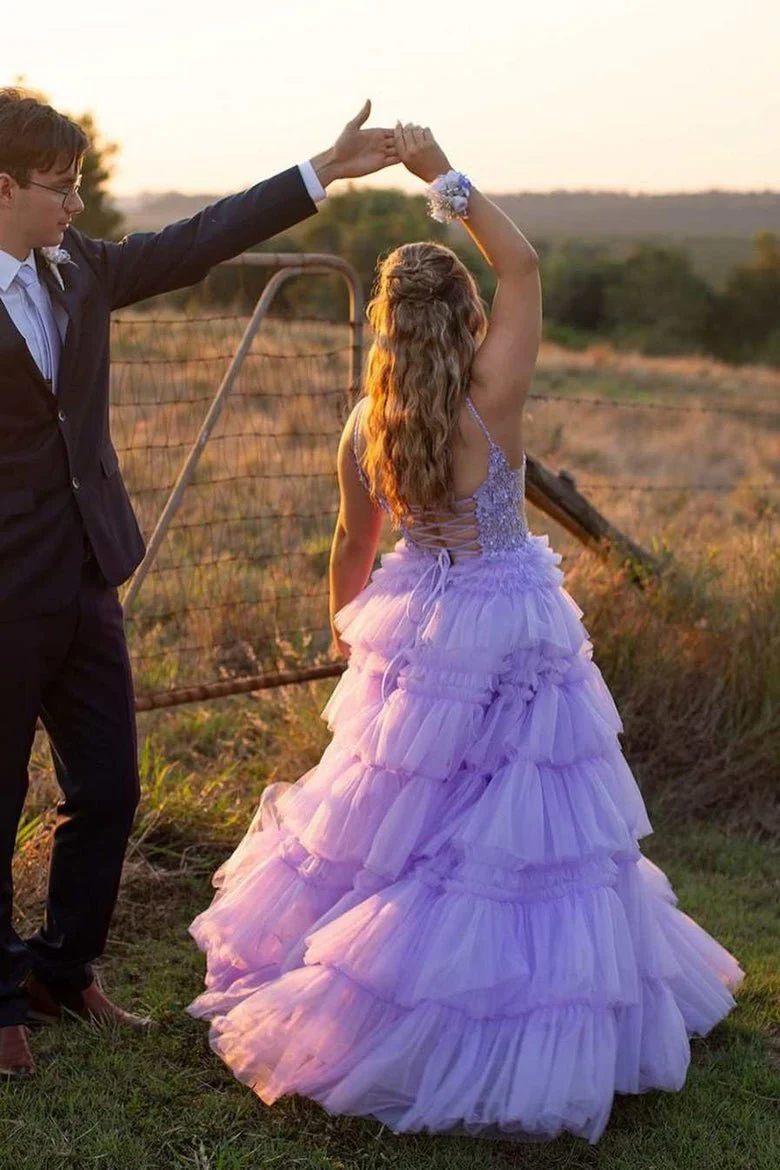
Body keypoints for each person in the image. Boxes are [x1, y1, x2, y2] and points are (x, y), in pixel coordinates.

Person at [189, 123, 744, 1143]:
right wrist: (435, 167)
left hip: (417, 617)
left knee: (407, 824)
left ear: (382, 324)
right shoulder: (494, 394)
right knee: (522, 831)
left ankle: (384, 985)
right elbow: (523, 256)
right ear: (468, 311)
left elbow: (351, 543)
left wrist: (348, 628)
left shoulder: (368, 421)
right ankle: (505, 1010)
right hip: (509, 617)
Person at [0, 86, 397, 1080]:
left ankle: (64, 969)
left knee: (112, 788)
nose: (75, 207)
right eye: (57, 190)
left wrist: (323, 171)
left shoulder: (78, 270)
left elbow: (198, 240)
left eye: (78, 187)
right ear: (0, 188)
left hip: (89, 578)